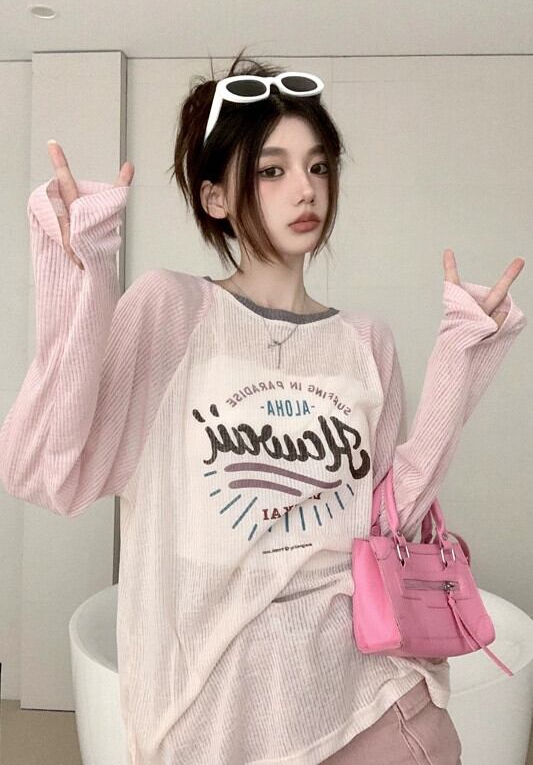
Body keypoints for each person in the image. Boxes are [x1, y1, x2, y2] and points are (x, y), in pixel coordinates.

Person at [0, 45, 526, 765]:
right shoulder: (171, 311)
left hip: (374, 707)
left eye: (318, 167)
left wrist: (460, 361)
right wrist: (82, 272)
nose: (304, 189)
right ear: (215, 197)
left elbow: (391, 519)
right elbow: (45, 471)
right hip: (210, 714)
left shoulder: (365, 341)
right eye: (271, 171)